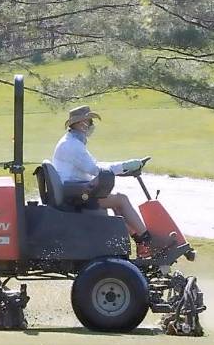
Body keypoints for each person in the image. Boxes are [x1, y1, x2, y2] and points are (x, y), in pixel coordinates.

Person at [52, 105, 154, 252]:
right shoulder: (72, 146)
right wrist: (125, 165)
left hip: (74, 189)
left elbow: (95, 168)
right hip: (75, 194)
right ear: (82, 124)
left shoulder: (71, 142)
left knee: (115, 202)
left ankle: (140, 242)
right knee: (121, 199)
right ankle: (149, 240)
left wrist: (124, 167)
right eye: (90, 122)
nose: (92, 126)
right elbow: (96, 170)